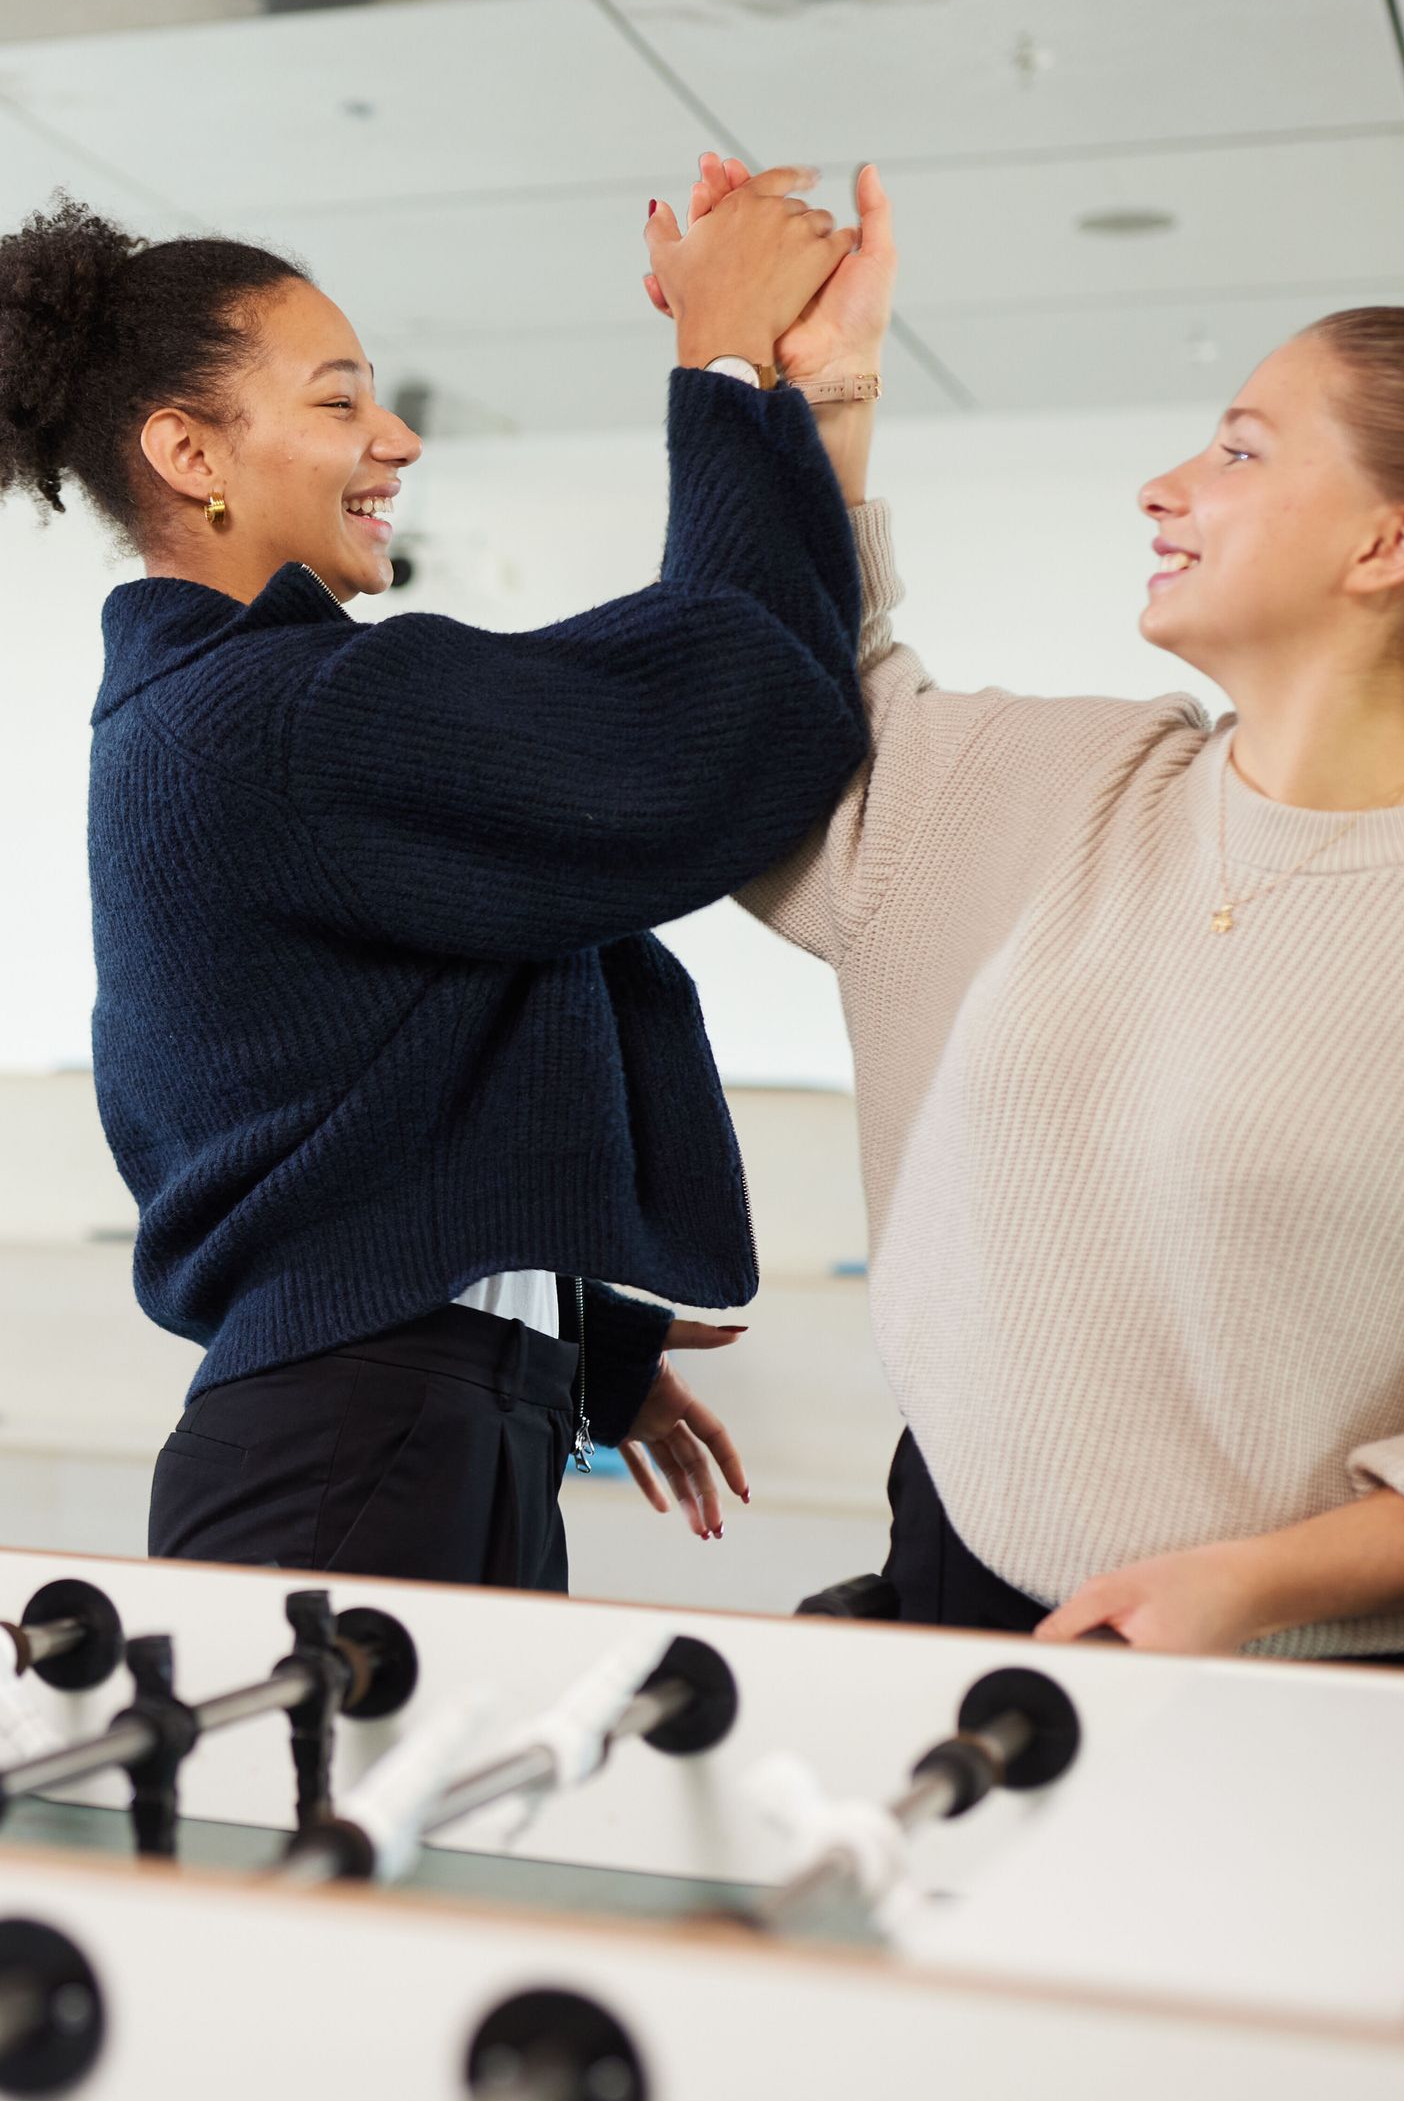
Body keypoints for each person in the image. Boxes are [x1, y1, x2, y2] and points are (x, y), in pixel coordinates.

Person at [677, 156, 1404, 1684]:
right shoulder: (1073, 781)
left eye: (1237, 450)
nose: (1168, 484)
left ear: (1389, 544)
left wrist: (1251, 1583)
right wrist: (820, 393)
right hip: (953, 1591)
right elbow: (798, 712)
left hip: (1296, 1672)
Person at [0, 167, 871, 1587]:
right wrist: (723, 363)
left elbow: (345, 1088)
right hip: (363, 1436)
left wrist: (568, 1328)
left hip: (381, 1424)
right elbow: (731, 720)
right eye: (339, 401)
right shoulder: (288, 711)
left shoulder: (198, 712)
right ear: (190, 453)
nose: (395, 436)